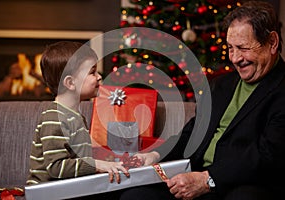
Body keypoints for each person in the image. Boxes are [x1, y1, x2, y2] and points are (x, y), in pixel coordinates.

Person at [119, 1, 285, 200]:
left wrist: (208, 179)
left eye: (243, 48)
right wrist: (155, 155)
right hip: (195, 174)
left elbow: (269, 157)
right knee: (135, 196)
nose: (234, 58)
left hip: (243, 184)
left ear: (272, 42)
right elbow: (193, 131)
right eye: (230, 48)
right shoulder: (221, 85)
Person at [26, 41, 129, 199]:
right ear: (70, 83)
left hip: (70, 188)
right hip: (49, 193)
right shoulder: (54, 118)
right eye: (92, 72)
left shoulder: (75, 116)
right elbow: (56, 168)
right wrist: (98, 165)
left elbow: (80, 160)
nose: (99, 77)